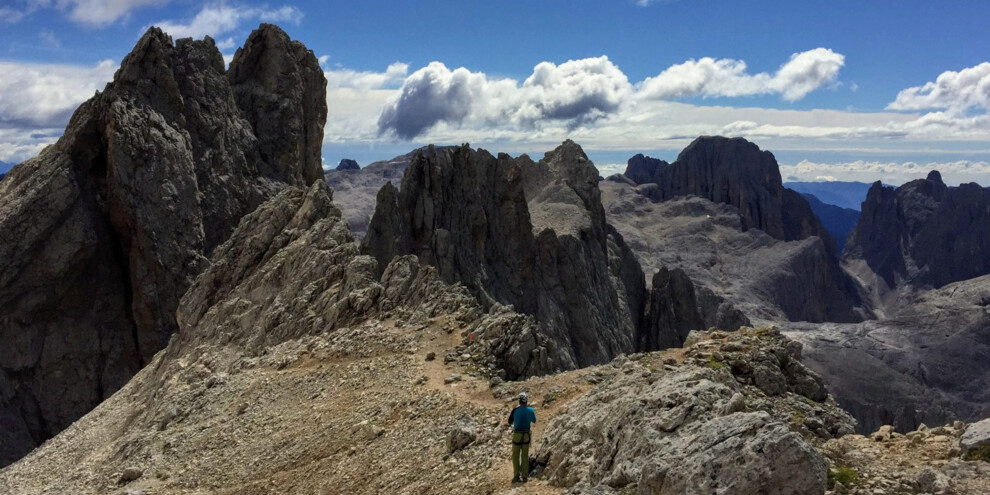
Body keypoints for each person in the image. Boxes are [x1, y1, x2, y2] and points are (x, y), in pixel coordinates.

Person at [507, 391, 537, 483]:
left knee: (515, 455)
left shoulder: (515, 410)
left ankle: (516, 475)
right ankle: (524, 476)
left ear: (519, 401)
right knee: (524, 455)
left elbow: (509, 421)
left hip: (517, 435)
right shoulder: (530, 410)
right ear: (526, 401)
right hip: (526, 435)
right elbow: (534, 420)